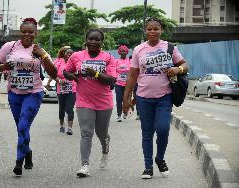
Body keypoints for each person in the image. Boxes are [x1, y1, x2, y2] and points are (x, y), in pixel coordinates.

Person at [123, 17, 189, 179]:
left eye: (156, 29)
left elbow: (185, 65)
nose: (153, 31)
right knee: (147, 133)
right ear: (145, 31)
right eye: (149, 29)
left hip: (164, 97)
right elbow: (132, 75)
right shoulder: (139, 49)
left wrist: (177, 69)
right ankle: (148, 167)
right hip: (143, 98)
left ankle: (159, 158)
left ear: (161, 30)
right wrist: (126, 98)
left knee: (163, 129)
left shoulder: (169, 47)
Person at [0, 17, 57, 176]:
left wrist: (43, 56)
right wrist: (3, 66)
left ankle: (18, 162)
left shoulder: (39, 50)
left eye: (30, 32)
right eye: (23, 32)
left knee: (22, 126)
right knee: (21, 127)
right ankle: (27, 152)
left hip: (33, 93)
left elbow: (54, 73)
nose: (27, 35)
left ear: (36, 33)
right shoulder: (10, 46)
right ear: (19, 32)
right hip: (14, 93)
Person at [63, 28, 116, 177]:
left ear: (101, 42)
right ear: (86, 40)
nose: (93, 42)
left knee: (101, 133)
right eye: (90, 39)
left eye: (97, 39)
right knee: (86, 132)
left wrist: (96, 74)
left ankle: (105, 150)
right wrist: (73, 76)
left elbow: (112, 80)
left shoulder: (108, 58)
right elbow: (66, 72)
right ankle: (84, 165)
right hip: (84, 100)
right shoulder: (76, 56)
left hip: (104, 102)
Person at [53, 46, 75, 135]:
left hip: (72, 89)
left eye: (71, 53)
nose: (69, 55)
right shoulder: (58, 62)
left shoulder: (75, 63)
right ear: (64, 54)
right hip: (61, 89)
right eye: (68, 53)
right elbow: (54, 74)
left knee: (70, 108)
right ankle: (62, 125)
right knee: (62, 108)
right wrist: (59, 80)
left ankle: (69, 128)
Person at [115, 45, 131, 122]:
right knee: (119, 99)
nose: (123, 52)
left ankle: (125, 112)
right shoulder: (116, 61)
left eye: (124, 51)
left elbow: (132, 72)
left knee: (127, 99)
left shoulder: (130, 61)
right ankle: (119, 115)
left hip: (128, 84)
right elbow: (114, 71)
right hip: (118, 83)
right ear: (119, 52)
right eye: (121, 51)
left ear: (127, 52)